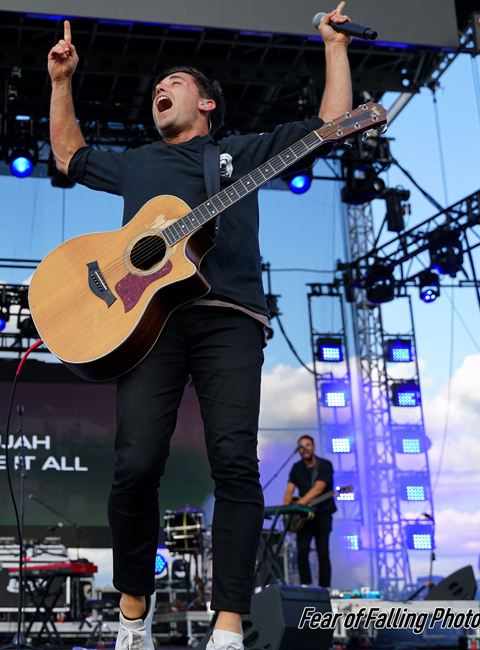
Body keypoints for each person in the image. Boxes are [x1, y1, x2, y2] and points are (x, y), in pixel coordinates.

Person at [47, 5, 353, 650]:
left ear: (207, 103)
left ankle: (230, 625)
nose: (160, 88)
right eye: (157, 86)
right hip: (146, 322)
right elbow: (69, 154)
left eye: (176, 82)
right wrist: (62, 82)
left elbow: (332, 124)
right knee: (135, 465)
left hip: (229, 316)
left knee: (234, 463)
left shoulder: (238, 156)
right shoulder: (138, 163)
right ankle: (134, 610)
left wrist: (333, 45)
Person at [283, 435, 336, 588]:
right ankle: (305, 585)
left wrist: (299, 504)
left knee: (323, 551)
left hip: (322, 514)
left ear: (314, 447)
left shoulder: (324, 465)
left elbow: (318, 489)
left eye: (307, 445)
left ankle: (324, 587)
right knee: (302, 550)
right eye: (301, 446)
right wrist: (287, 510)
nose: (304, 449)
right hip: (303, 517)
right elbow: (289, 491)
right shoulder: (296, 468)